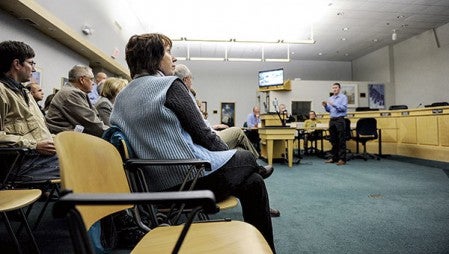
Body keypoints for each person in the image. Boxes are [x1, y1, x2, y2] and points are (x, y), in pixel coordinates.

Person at [110, 33, 276, 251]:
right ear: (155, 57)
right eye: (168, 52)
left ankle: (261, 245)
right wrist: (227, 159)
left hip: (153, 190)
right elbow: (204, 135)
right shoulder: (169, 85)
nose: (173, 58)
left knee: (253, 182)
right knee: (244, 158)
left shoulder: (120, 99)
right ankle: (268, 248)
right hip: (189, 180)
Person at [0, 40, 59, 181]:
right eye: (31, 63)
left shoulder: (24, 92)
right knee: (81, 165)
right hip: (18, 164)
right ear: (17, 64)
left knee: (84, 155)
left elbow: (39, 131)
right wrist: (34, 145)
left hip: (35, 158)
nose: (34, 69)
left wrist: (59, 140)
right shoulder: (2, 91)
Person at [45, 65, 109, 137]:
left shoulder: (74, 92)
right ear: (82, 80)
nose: (93, 83)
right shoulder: (72, 94)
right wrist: (114, 133)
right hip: (65, 142)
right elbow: (92, 124)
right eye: (91, 79)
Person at [322, 82, 348, 165]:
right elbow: (329, 110)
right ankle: (334, 158)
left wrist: (334, 104)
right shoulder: (330, 98)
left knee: (341, 140)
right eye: (333, 88)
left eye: (336, 88)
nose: (334, 89)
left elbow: (343, 108)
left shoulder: (343, 97)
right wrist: (326, 106)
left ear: (339, 89)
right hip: (332, 120)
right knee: (333, 140)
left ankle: (342, 159)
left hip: (340, 120)